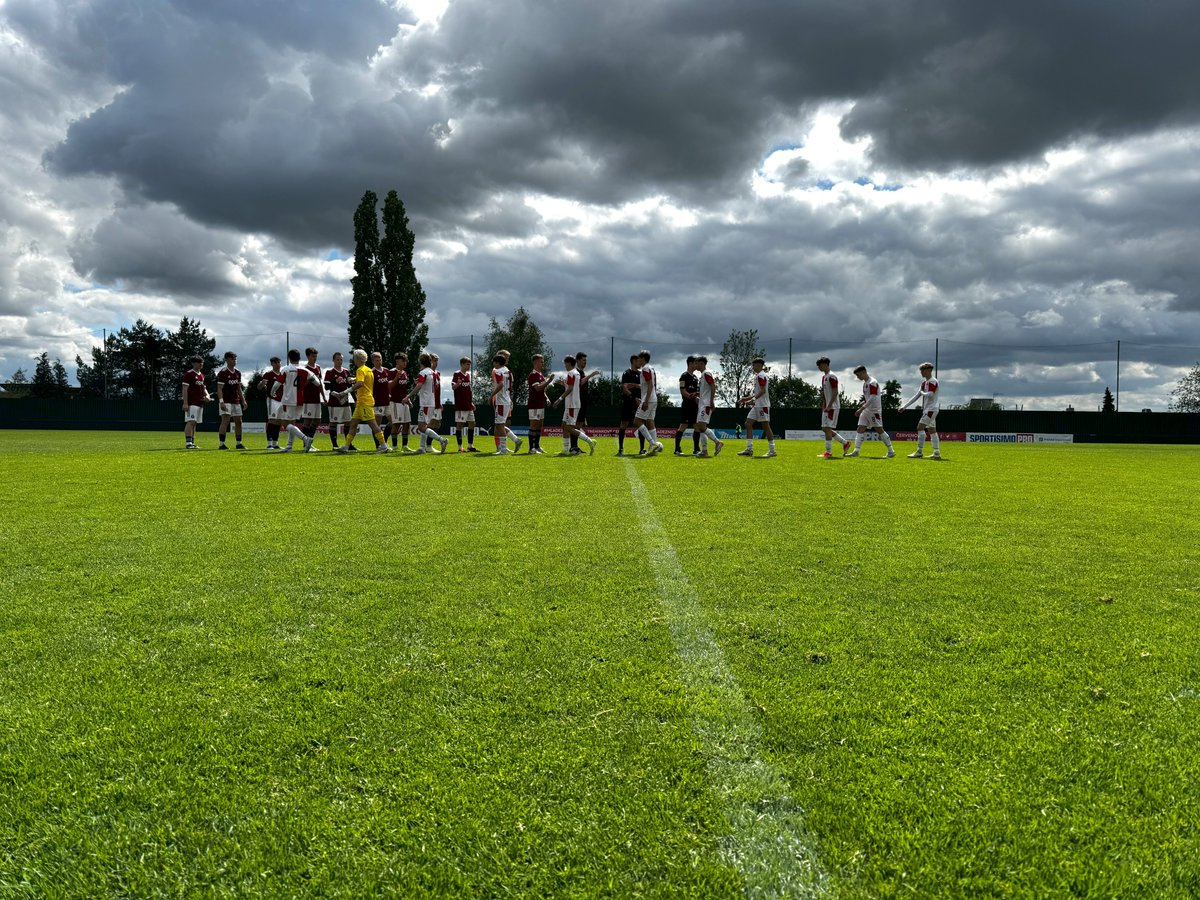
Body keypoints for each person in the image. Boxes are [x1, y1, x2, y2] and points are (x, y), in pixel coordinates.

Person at [338, 349, 390, 453]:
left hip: (364, 401)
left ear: (357, 358)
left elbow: (360, 384)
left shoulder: (360, 370)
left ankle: (384, 446)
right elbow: (364, 382)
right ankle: (346, 446)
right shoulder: (368, 370)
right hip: (363, 401)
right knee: (353, 424)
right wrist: (354, 380)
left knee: (374, 425)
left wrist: (345, 391)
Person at [278, 348, 324, 453]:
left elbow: (278, 384)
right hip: (301, 400)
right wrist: (309, 380)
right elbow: (317, 383)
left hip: (288, 400)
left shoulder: (286, 369)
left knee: (282, 422)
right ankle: (289, 446)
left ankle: (305, 439)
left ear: (289, 358)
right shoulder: (305, 370)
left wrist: (272, 392)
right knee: (292, 422)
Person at [847, 365, 895, 458]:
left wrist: (861, 408)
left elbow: (873, 397)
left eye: (858, 375)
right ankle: (856, 451)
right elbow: (869, 397)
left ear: (863, 372)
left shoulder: (872, 382)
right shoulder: (865, 383)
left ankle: (891, 451)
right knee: (860, 428)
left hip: (874, 410)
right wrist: (863, 404)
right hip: (866, 410)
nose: (857, 377)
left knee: (879, 430)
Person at [406, 352, 449, 454]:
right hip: (431, 402)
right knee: (424, 425)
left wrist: (408, 396)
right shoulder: (433, 373)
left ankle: (441, 440)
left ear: (421, 362)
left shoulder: (423, 372)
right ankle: (422, 448)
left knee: (422, 427)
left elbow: (419, 386)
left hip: (426, 403)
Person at [553, 354, 597, 455]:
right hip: (571, 404)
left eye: (565, 364)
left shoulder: (571, 373)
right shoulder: (576, 373)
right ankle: (565, 450)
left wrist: (559, 399)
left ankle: (590, 441)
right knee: (564, 425)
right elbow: (572, 387)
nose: (565, 366)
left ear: (568, 363)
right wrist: (563, 384)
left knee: (569, 427)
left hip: (572, 405)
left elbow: (570, 389)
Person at [900, 362, 942, 459]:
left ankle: (919, 451)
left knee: (920, 427)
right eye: (921, 370)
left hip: (931, 409)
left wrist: (923, 392)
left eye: (923, 370)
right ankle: (936, 453)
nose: (921, 372)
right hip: (929, 409)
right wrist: (904, 406)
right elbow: (916, 396)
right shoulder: (924, 383)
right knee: (932, 430)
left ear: (929, 370)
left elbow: (930, 394)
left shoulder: (932, 381)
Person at [737, 357, 776, 458]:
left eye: (754, 365)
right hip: (757, 405)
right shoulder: (758, 376)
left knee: (765, 426)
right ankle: (749, 449)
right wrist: (746, 399)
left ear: (759, 365)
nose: (753, 367)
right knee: (748, 424)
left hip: (763, 405)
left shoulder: (761, 376)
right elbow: (758, 392)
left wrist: (753, 400)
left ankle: (772, 450)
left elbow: (763, 391)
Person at [816, 356, 852, 459]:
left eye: (820, 365)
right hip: (827, 406)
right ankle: (845, 443)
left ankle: (829, 452)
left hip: (832, 406)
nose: (819, 367)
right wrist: (824, 403)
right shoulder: (824, 377)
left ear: (825, 364)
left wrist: (830, 404)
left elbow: (835, 392)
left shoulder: (832, 376)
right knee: (824, 428)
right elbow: (825, 393)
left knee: (827, 428)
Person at [489, 353, 524, 455]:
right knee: (501, 425)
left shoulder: (498, 371)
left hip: (501, 401)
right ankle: (516, 440)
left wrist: (492, 395)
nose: (493, 365)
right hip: (507, 399)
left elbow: (500, 384)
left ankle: (503, 449)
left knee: (499, 425)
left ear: (497, 362)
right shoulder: (508, 371)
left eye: (494, 363)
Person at [633, 350, 664, 455]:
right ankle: (653, 449)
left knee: (637, 421)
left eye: (639, 359)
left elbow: (650, 385)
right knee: (650, 422)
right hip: (653, 398)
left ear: (643, 359)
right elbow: (650, 384)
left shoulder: (645, 369)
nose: (638, 361)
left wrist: (645, 401)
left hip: (649, 399)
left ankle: (652, 443)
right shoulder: (651, 368)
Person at [569, 351, 601, 453]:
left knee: (578, 425)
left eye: (586, 360)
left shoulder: (581, 373)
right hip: (576, 403)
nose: (585, 362)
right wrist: (590, 375)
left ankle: (575, 447)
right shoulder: (576, 372)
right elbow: (579, 384)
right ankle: (573, 447)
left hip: (582, 403)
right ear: (578, 360)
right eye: (583, 360)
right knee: (574, 425)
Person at [693, 356, 724, 458]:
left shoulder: (706, 373)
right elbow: (706, 389)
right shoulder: (703, 375)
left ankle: (717, 442)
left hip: (706, 404)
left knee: (701, 426)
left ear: (702, 363)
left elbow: (713, 385)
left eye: (696, 363)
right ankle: (704, 451)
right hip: (702, 404)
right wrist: (698, 394)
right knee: (701, 428)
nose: (695, 365)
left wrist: (711, 401)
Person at [215, 351, 247, 450]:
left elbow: (239, 388)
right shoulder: (223, 373)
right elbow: (219, 388)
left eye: (235, 359)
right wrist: (221, 402)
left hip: (236, 401)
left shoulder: (238, 372)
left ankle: (238, 443)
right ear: (227, 360)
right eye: (232, 359)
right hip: (226, 400)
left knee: (239, 421)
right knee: (225, 420)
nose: (234, 361)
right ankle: (221, 444)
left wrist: (243, 401)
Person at [323, 351, 353, 451]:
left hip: (345, 402)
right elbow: (327, 387)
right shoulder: (330, 372)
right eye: (337, 359)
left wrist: (356, 399)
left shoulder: (346, 372)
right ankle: (335, 445)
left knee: (348, 422)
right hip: (334, 403)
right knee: (333, 423)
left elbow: (351, 387)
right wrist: (335, 381)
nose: (339, 361)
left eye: (341, 359)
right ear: (333, 360)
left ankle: (348, 444)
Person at [181, 355, 210, 450]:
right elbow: (185, 389)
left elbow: (204, 388)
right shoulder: (189, 374)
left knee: (195, 423)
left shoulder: (202, 375)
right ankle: (188, 442)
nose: (201, 364)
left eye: (202, 363)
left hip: (200, 402)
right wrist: (185, 403)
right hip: (192, 402)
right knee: (191, 421)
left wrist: (207, 396)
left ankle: (192, 442)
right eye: (199, 362)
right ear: (193, 363)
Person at [617, 355, 644, 456]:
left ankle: (642, 448)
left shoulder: (641, 374)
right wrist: (633, 397)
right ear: (633, 361)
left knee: (641, 424)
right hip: (628, 403)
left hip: (639, 403)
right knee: (624, 424)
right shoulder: (626, 373)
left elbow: (643, 387)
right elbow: (625, 388)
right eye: (638, 361)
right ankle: (620, 448)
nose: (640, 363)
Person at [452, 356, 478, 452]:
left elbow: (468, 390)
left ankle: (470, 446)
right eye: (467, 364)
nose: (469, 366)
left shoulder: (468, 375)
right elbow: (453, 387)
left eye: (469, 364)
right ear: (462, 364)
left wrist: (471, 402)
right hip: (461, 405)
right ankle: (460, 447)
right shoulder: (457, 374)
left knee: (472, 423)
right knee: (460, 425)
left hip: (468, 405)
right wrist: (458, 384)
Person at [526, 353, 551, 454]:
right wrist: (549, 381)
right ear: (535, 362)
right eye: (541, 361)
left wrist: (546, 398)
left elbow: (542, 390)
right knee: (534, 424)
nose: (542, 363)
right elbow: (537, 388)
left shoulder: (540, 375)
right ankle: (531, 448)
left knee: (540, 424)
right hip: (534, 404)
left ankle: (537, 446)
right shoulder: (533, 375)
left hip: (540, 403)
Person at [299, 347, 323, 448]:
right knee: (307, 420)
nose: (315, 358)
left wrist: (323, 397)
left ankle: (310, 442)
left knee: (317, 420)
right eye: (313, 356)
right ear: (308, 356)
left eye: (316, 356)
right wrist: (309, 380)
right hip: (308, 399)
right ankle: (305, 444)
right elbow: (301, 385)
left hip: (317, 399)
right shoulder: (304, 369)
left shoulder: (318, 368)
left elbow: (320, 383)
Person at [676, 355, 701, 456]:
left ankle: (696, 449)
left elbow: (697, 391)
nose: (696, 365)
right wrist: (691, 396)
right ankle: (677, 449)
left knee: (697, 426)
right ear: (690, 363)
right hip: (687, 405)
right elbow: (683, 391)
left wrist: (698, 396)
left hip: (695, 406)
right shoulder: (684, 376)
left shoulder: (695, 377)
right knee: (683, 425)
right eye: (695, 362)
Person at [388, 352, 413, 451]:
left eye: (405, 361)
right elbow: (390, 386)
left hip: (404, 402)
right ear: (398, 362)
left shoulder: (405, 373)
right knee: (396, 424)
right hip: (395, 402)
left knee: (407, 423)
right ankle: (394, 447)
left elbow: (404, 389)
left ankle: (405, 446)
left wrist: (408, 399)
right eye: (404, 361)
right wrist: (396, 377)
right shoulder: (392, 372)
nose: (405, 363)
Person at [263, 356, 285, 450]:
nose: (277, 364)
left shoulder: (283, 374)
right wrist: (261, 384)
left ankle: (275, 443)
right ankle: (269, 443)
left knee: (278, 421)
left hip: (282, 400)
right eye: (275, 362)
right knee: (271, 420)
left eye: (279, 362)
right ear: (272, 364)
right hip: (272, 400)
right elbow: (259, 386)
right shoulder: (268, 374)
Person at [371, 352, 391, 439]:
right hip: (377, 402)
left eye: (380, 360)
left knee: (393, 422)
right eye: (377, 360)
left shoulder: (386, 371)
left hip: (387, 401)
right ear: (373, 361)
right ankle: (378, 445)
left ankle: (385, 440)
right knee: (377, 425)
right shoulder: (372, 373)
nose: (379, 362)